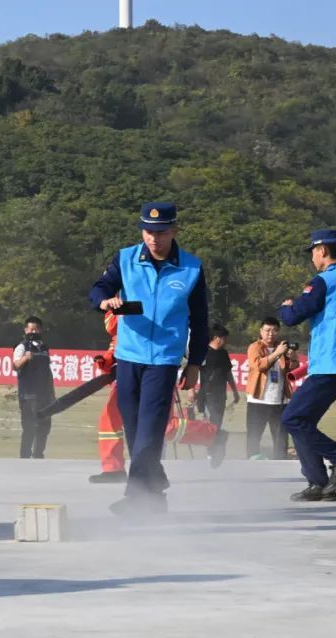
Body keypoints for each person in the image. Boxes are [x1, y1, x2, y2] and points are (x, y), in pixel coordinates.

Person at [89, 201, 209, 514]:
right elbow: (99, 288)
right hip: (129, 357)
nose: (153, 238)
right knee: (133, 429)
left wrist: (194, 363)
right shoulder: (125, 258)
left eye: (161, 231)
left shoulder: (192, 268)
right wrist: (105, 302)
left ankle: (138, 498)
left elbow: (200, 320)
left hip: (165, 361)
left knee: (150, 429)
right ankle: (156, 494)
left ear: (174, 230)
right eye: (148, 231)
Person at [279, 229, 336, 501]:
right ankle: (319, 484)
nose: (312, 258)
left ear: (323, 251)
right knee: (303, 421)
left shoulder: (322, 282)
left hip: (327, 361)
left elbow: (294, 316)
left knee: (292, 418)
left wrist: (286, 306)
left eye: (313, 252)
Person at [89, 310, 222, 483]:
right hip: (128, 372)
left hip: (156, 368)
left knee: (163, 427)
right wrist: (106, 362)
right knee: (110, 417)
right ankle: (113, 468)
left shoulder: (153, 299)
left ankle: (213, 436)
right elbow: (116, 341)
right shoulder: (121, 311)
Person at [245, 316, 297, 459]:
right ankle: (252, 464)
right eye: (267, 330)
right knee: (254, 436)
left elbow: (292, 368)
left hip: (280, 401)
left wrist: (293, 357)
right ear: (261, 331)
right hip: (258, 400)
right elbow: (259, 366)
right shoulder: (255, 347)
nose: (270, 334)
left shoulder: (282, 347)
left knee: (281, 439)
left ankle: (280, 464)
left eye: (274, 330)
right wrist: (277, 353)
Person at [13, 316, 56, 459]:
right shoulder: (21, 346)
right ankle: (24, 457)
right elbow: (15, 366)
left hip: (44, 394)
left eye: (36, 328)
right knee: (30, 427)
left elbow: (47, 371)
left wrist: (52, 393)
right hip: (28, 394)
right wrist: (25, 357)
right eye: (31, 329)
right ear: (25, 330)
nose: (33, 331)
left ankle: (38, 455)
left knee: (44, 427)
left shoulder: (44, 347)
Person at [198, 325, 240, 428]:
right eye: (224, 339)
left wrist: (235, 391)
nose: (226, 342)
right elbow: (193, 370)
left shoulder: (223, 353)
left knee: (218, 423)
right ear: (217, 338)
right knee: (211, 423)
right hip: (207, 394)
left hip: (221, 395)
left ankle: (216, 443)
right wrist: (190, 390)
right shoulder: (203, 352)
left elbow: (228, 373)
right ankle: (211, 443)